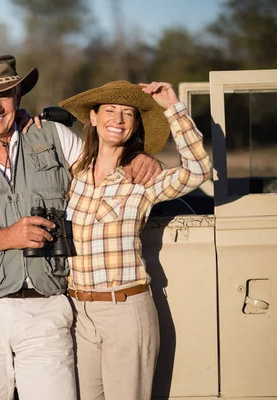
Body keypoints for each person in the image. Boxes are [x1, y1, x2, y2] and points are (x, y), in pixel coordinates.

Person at [0, 55, 161, 400]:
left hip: (48, 307)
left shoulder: (55, 137)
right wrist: (8, 237)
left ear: (19, 96)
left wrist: (138, 155)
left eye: (5, 94)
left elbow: (105, 169)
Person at [59, 80, 212, 400]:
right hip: (79, 315)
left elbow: (198, 171)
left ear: (135, 126)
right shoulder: (75, 175)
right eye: (111, 111)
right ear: (94, 118)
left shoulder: (141, 179)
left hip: (124, 310)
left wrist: (172, 107)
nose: (119, 119)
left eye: (128, 114)